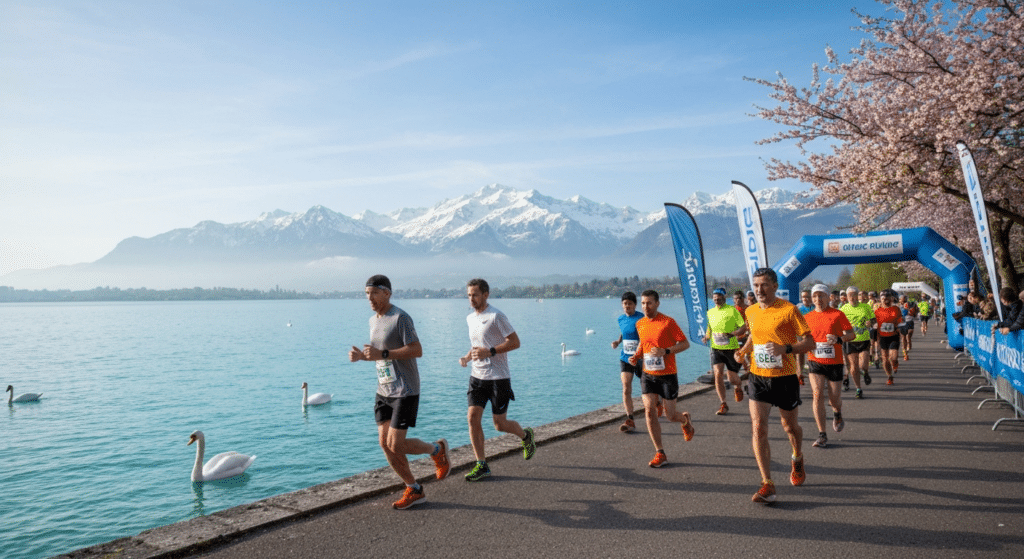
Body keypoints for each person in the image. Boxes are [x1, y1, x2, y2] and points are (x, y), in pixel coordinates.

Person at [348, 275, 450, 509]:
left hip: (405, 389)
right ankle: (414, 489)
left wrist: (382, 354)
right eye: (366, 293)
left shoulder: (401, 318)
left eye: (374, 292)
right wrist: (363, 357)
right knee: (385, 444)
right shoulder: (373, 321)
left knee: (395, 444)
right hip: (384, 389)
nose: (369, 298)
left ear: (387, 293)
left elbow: (417, 350)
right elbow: (379, 353)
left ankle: (436, 449)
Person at [735, 268, 814, 504]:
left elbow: (810, 342)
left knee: (789, 427)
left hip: (785, 377)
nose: (759, 290)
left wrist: (786, 349)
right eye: (756, 285)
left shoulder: (789, 310)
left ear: (775, 286)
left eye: (764, 285)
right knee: (758, 427)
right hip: (758, 377)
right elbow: (754, 336)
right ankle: (767, 483)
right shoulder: (750, 310)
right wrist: (743, 351)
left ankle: (797, 456)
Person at [458, 278, 536, 481]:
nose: (471, 298)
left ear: (485, 294)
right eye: (468, 295)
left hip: (498, 378)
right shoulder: (469, 319)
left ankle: (526, 436)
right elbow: (477, 345)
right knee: (472, 418)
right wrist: (467, 357)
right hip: (477, 377)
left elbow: (515, 342)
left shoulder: (496, 316)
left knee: (499, 425)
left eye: (475, 294)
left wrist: (490, 351)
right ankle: (481, 464)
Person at [629, 289, 695, 468]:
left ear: (657, 303)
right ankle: (660, 452)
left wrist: (665, 351)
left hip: (667, 375)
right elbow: (644, 342)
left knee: (670, 415)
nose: (645, 306)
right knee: (649, 411)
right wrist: (636, 355)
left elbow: (684, 344)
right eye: (643, 303)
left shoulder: (668, 322)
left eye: (649, 303)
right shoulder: (640, 323)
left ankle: (685, 420)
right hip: (648, 374)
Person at [805, 284, 855, 448]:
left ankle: (837, 412)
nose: (818, 299)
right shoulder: (807, 317)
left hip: (834, 362)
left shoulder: (837, 314)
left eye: (821, 296)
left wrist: (839, 339)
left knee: (834, 399)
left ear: (828, 297)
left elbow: (851, 335)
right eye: (815, 296)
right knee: (817, 394)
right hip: (814, 361)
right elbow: (802, 339)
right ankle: (822, 434)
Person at [701, 287, 747, 416]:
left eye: (718, 297)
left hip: (731, 348)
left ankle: (738, 386)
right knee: (718, 374)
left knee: (732, 379)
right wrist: (706, 337)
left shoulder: (732, 311)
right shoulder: (710, 312)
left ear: (724, 298)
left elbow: (743, 326)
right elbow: (710, 327)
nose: (716, 299)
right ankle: (723, 404)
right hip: (716, 348)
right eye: (714, 297)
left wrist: (734, 333)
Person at [611, 291, 646, 432]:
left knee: (647, 389)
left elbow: (645, 337)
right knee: (626, 388)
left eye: (630, 304)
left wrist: (638, 354)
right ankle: (630, 418)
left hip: (641, 358)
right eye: (625, 304)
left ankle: (656, 404)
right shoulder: (620, 319)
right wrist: (618, 341)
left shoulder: (641, 318)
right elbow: (624, 332)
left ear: (635, 305)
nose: (627, 306)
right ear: (622, 305)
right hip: (625, 358)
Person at [840, 285, 875, 399]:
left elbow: (874, 320)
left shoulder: (865, 307)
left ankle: (865, 372)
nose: (852, 298)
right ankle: (858, 388)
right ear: (847, 297)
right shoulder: (843, 309)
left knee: (863, 365)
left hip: (864, 339)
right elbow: (838, 323)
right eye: (850, 296)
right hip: (850, 341)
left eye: (854, 295)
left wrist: (870, 323)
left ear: (858, 296)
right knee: (854, 368)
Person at [874, 289, 903, 385]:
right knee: (885, 360)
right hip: (882, 337)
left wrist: (900, 325)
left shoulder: (896, 309)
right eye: (883, 297)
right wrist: (875, 341)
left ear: (891, 298)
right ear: (880, 299)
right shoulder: (877, 311)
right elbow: (875, 326)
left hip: (894, 336)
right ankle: (889, 376)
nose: (885, 299)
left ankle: (895, 363)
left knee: (893, 357)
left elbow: (901, 321)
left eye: (887, 297)